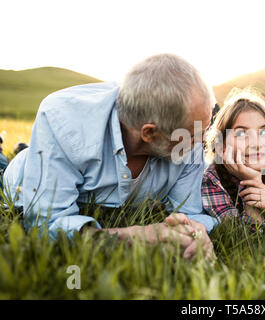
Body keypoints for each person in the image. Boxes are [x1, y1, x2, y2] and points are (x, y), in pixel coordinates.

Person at [3, 53, 217, 260]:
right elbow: (45, 228)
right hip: (20, 181)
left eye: (204, 129)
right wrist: (138, 236)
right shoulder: (62, 121)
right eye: (193, 135)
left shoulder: (191, 136)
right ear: (149, 133)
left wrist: (195, 234)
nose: (203, 141)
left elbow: (189, 215)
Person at [202, 88, 265, 231]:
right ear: (221, 146)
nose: (256, 143)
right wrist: (253, 181)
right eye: (242, 133)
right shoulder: (212, 179)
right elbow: (243, 242)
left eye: (264, 132)